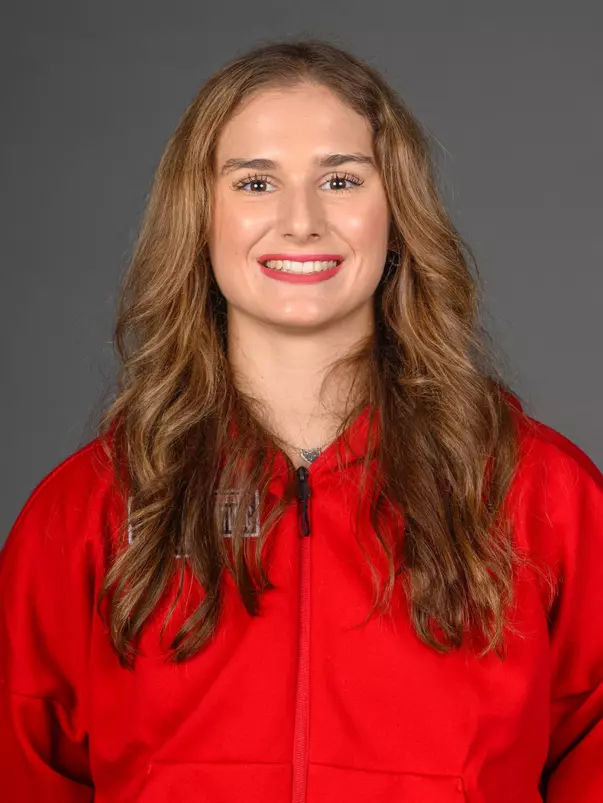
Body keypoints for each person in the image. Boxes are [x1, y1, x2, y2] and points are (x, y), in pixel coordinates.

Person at [0, 37, 602, 803]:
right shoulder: (88, 512)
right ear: (201, 216)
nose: (300, 221)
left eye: (340, 179)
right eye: (255, 181)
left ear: (396, 214)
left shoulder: (539, 496)